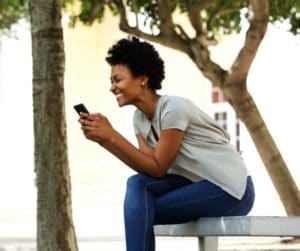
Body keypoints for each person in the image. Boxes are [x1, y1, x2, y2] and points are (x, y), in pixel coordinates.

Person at [78, 36, 255, 251]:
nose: (112, 87)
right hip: (193, 184)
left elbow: (158, 167)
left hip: (231, 188)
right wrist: (105, 140)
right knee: (137, 184)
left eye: (118, 79)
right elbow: (149, 169)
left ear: (142, 78)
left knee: (141, 211)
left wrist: (111, 136)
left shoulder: (174, 109)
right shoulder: (139, 119)